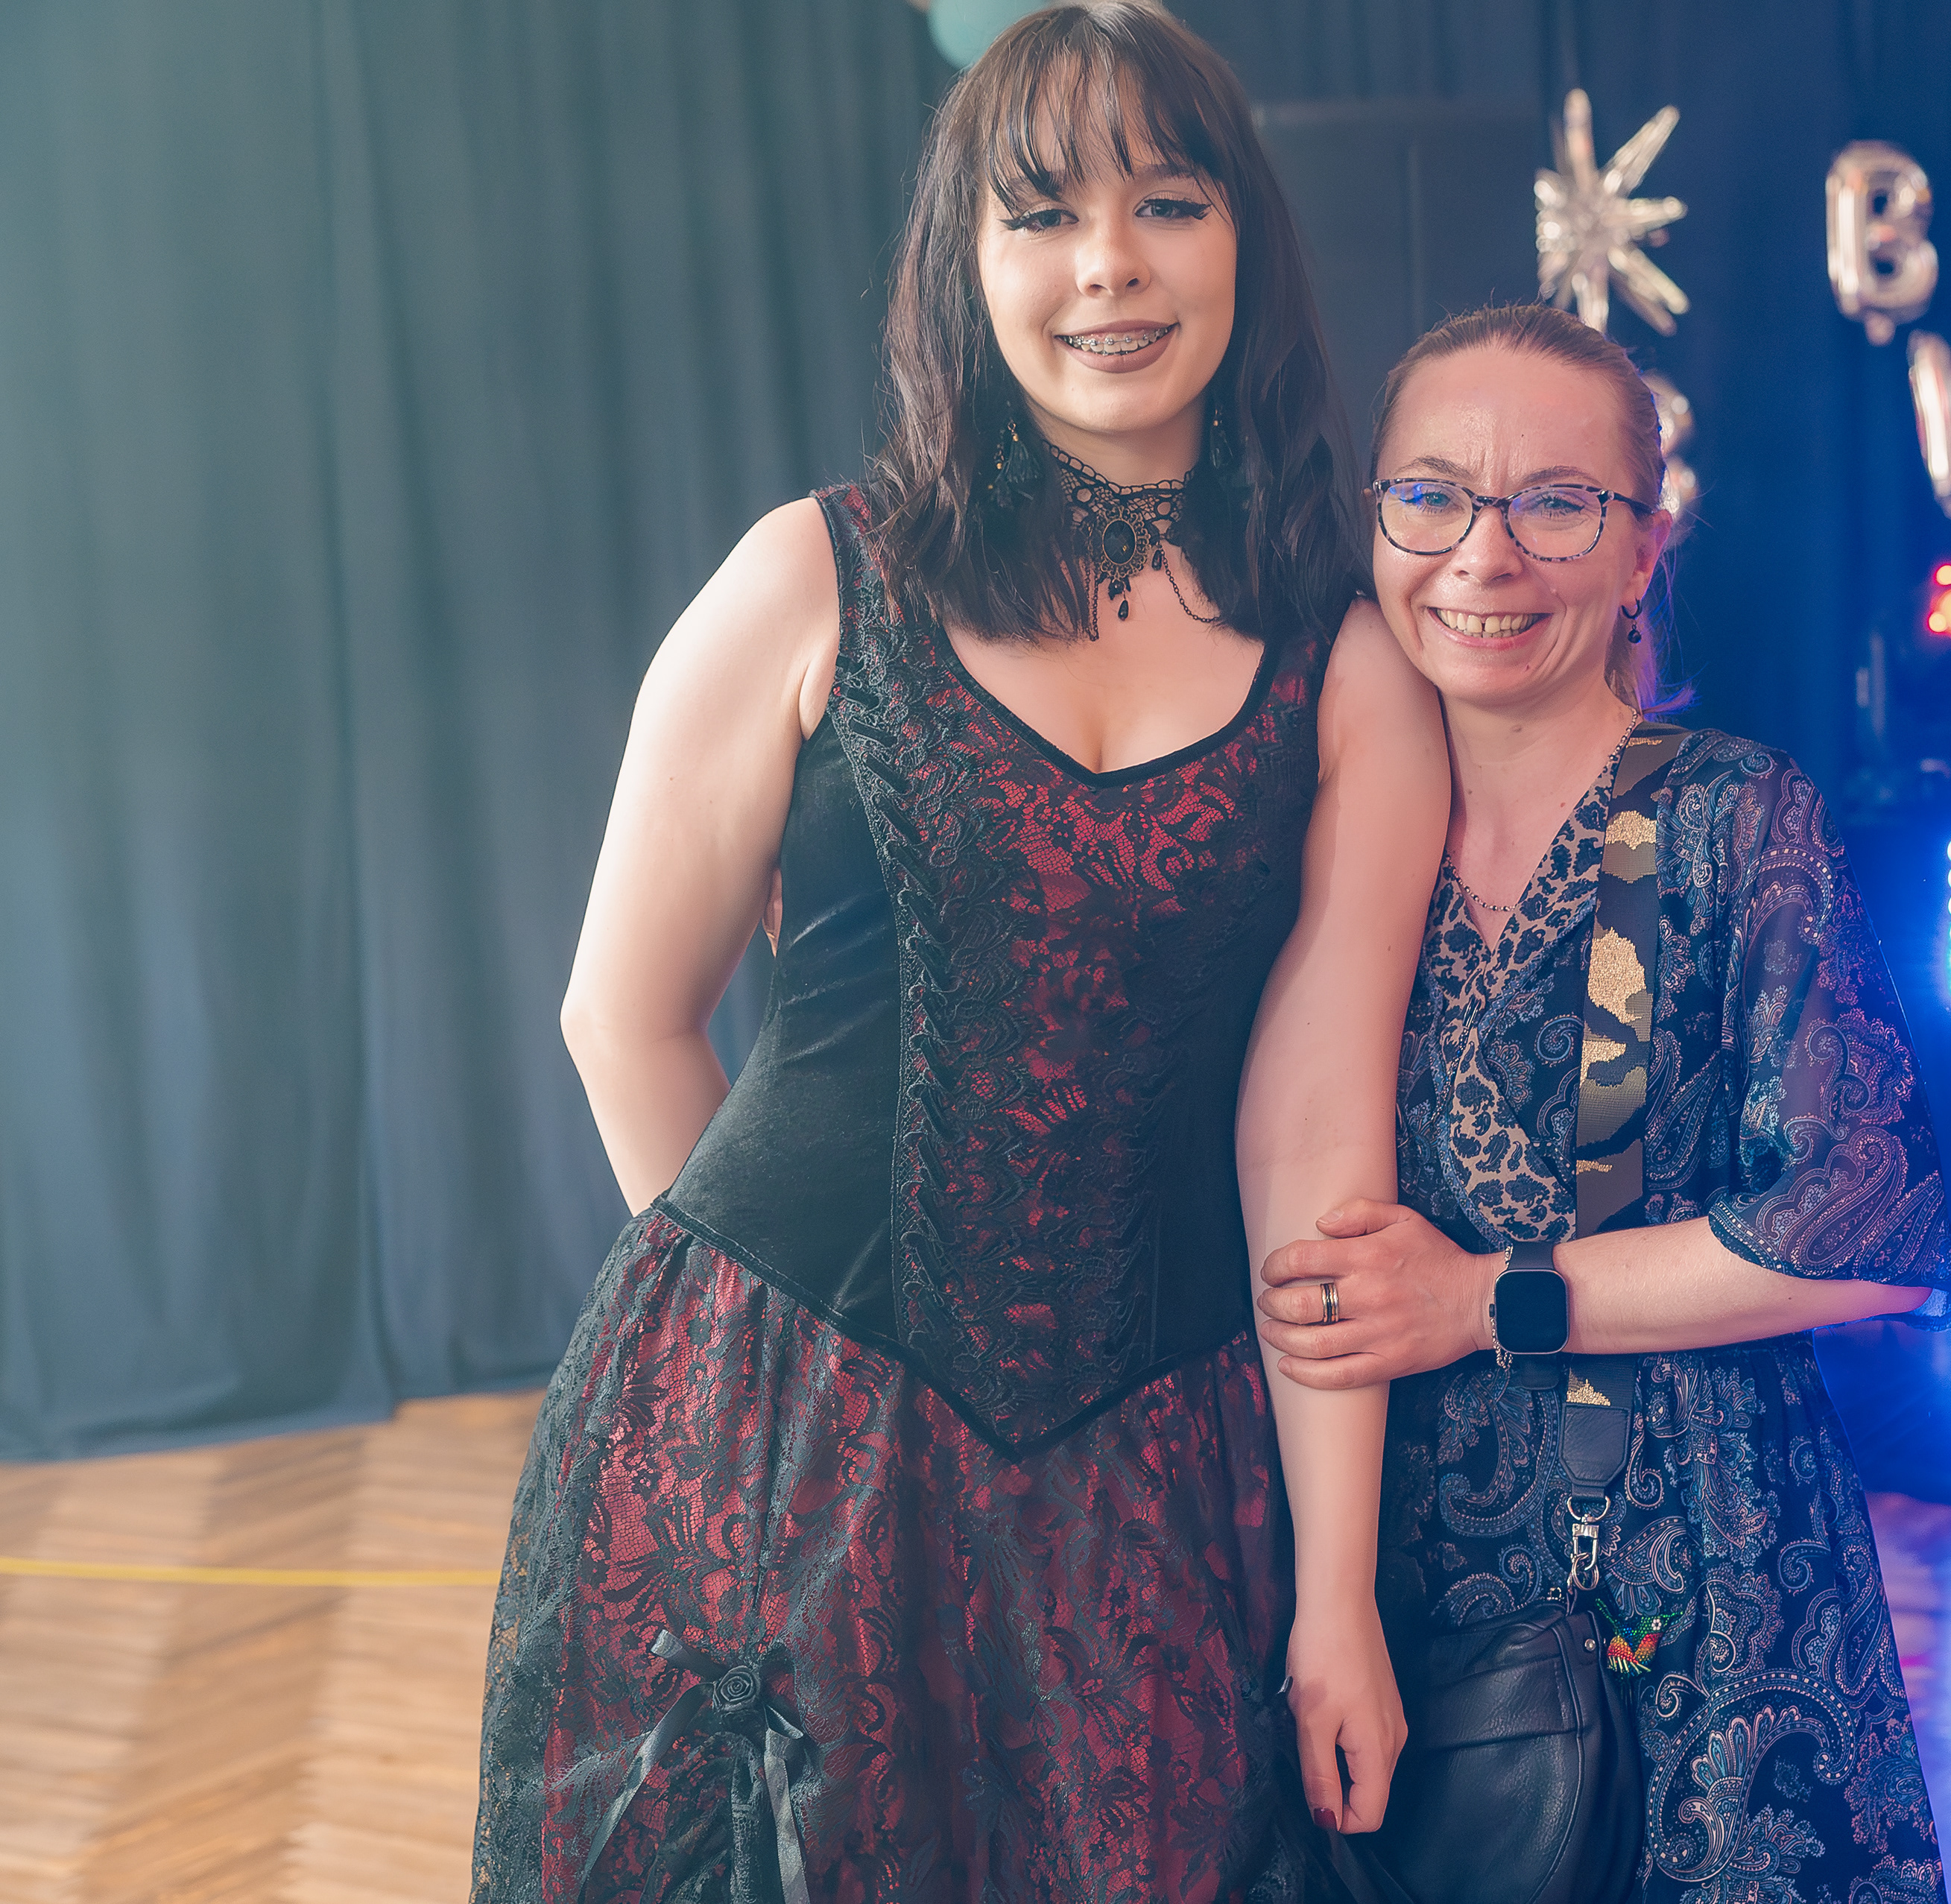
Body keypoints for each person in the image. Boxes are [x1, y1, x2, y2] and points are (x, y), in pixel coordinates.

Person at [471, 8, 1444, 1900]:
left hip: (1154, 1479)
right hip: (758, 1453)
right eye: (1041, 214)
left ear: (1246, 238)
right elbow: (622, 1014)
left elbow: (1318, 1155)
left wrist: (1337, 1593)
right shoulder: (809, 573)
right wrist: (753, 1372)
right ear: (962, 265)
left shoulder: (1346, 667)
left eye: (1168, 203)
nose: (1107, 266)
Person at [1254, 305, 1951, 1900]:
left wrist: (1484, 1299)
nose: (1484, 556)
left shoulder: (1728, 814)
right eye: (1432, 497)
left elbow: (1868, 1229)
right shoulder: (1303, 842)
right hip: (1382, 1585)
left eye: (1557, 504)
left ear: (1645, 550)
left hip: (1705, 1594)